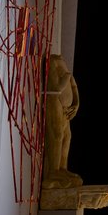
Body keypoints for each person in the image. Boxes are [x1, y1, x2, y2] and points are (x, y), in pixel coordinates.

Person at [42, 54, 83, 190]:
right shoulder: (53, 62)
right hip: (55, 101)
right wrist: (66, 76)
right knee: (57, 135)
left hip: (66, 108)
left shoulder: (62, 63)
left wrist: (76, 104)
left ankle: (62, 168)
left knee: (67, 136)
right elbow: (55, 87)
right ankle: (53, 171)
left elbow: (74, 86)